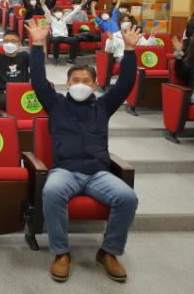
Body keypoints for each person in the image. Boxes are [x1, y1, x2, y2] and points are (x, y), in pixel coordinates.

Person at [26, 19, 140, 283]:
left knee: (128, 198)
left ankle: (108, 252)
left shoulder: (103, 106)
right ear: (67, 83)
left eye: (86, 80)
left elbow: (125, 83)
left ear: (94, 85)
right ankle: (61, 252)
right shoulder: (55, 104)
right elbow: (38, 80)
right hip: (65, 171)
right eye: (75, 79)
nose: (80, 83)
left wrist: (130, 50)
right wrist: (38, 44)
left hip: (98, 173)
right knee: (52, 191)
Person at [42, 0, 85, 65]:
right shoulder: (51, 19)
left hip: (65, 37)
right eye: (57, 12)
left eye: (60, 12)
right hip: (56, 37)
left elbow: (73, 13)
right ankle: (56, 58)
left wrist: (81, 4)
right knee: (56, 40)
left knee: (75, 40)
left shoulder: (64, 18)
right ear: (53, 13)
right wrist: (43, 5)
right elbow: (47, 12)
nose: (59, 13)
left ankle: (71, 59)